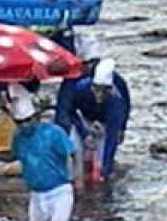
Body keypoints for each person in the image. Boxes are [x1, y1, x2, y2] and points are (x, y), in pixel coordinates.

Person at [8, 83, 78, 221]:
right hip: (37, 194)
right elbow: (12, 156)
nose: (24, 126)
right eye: (19, 122)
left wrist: (78, 178)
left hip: (59, 190)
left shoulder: (53, 133)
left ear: (36, 117)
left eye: (27, 121)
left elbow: (74, 152)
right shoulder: (18, 139)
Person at [55, 36, 131, 182]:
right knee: (76, 152)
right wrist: (84, 134)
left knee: (104, 157)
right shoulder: (76, 85)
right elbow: (66, 110)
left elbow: (112, 134)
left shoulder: (116, 100)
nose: (89, 67)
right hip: (81, 118)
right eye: (87, 63)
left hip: (104, 121)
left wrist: (106, 169)